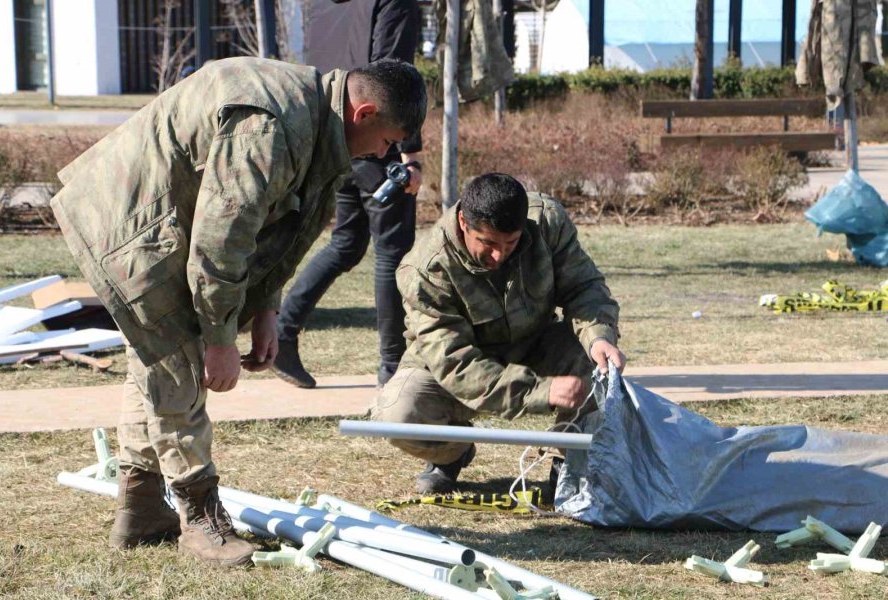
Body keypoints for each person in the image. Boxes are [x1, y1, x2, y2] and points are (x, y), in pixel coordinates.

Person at [50, 57, 426, 567]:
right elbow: (220, 241)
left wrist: (267, 307)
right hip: (134, 224)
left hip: (165, 220)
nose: (386, 154)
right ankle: (200, 518)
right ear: (362, 113)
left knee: (156, 362)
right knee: (179, 365)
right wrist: (219, 339)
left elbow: (278, 227)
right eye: (387, 141)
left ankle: (140, 508)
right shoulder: (270, 127)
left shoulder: (316, 118)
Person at [371, 173, 625, 494]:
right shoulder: (425, 269)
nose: (498, 255)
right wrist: (538, 391)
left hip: (535, 344)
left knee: (594, 358)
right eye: (488, 243)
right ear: (464, 222)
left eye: (511, 243)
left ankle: (571, 460)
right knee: (397, 414)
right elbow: (454, 363)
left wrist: (599, 336)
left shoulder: (546, 223)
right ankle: (452, 453)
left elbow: (584, 287)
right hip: (458, 365)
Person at [272, 0, 423, 389]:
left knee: (347, 242)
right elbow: (395, 77)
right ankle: (392, 369)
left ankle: (283, 334)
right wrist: (411, 153)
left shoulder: (321, 5)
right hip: (377, 137)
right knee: (394, 252)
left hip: (335, 131)